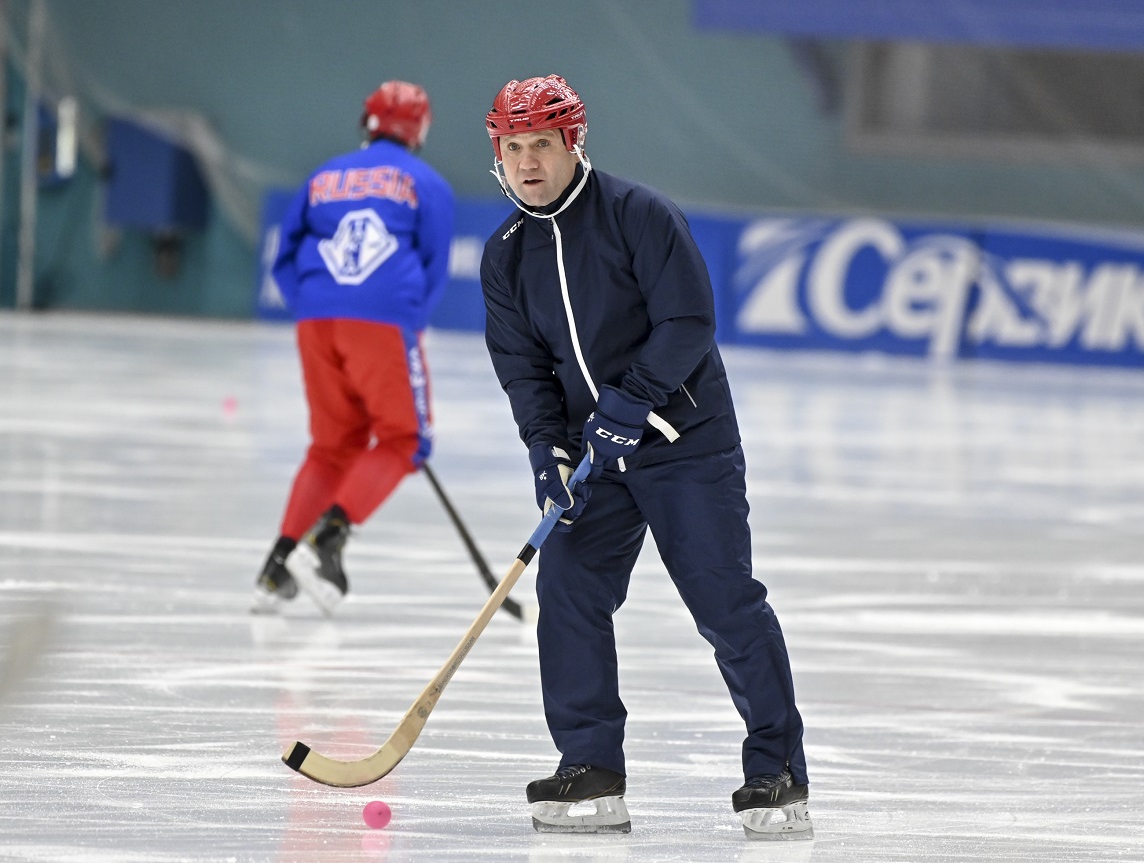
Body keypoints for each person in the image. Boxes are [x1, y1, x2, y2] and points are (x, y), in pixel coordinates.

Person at [479, 74, 812, 840]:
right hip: (594, 459)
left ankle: (778, 772)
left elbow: (689, 321)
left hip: (685, 446)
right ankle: (589, 764)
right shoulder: (505, 254)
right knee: (567, 593)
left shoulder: (638, 216)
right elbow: (522, 365)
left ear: (574, 145)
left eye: (541, 145)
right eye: (513, 147)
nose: (527, 163)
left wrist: (629, 407)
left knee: (725, 605)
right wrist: (545, 449)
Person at [252, 80, 455, 617]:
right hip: (385, 319)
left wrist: (311, 305)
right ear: (421, 128)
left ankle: (276, 568)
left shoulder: (323, 176)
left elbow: (285, 252)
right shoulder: (427, 184)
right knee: (405, 439)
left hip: (316, 319)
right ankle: (326, 541)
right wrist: (405, 323)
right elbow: (433, 267)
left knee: (332, 445)